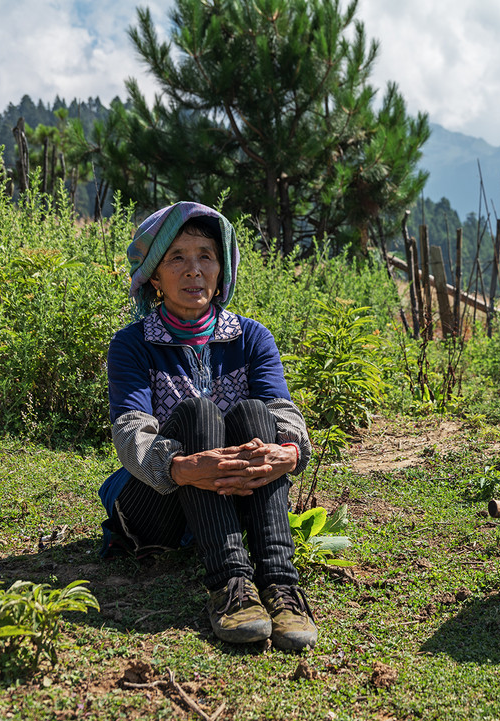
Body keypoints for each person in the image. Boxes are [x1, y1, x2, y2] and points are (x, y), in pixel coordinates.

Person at [98, 201, 317, 649]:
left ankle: (279, 583)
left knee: (256, 416)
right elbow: (130, 433)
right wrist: (180, 466)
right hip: (156, 506)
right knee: (199, 414)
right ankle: (231, 586)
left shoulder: (251, 336)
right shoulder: (132, 345)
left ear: (221, 272)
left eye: (206, 256)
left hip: (231, 500)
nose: (193, 269)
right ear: (155, 276)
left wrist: (289, 452)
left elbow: (285, 412)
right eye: (176, 257)